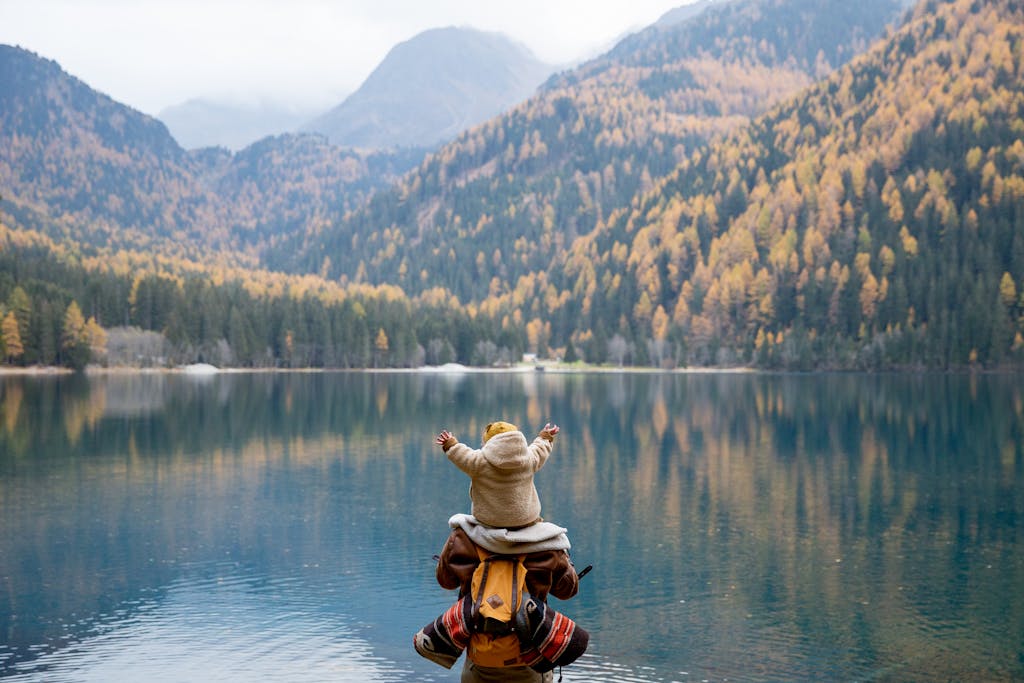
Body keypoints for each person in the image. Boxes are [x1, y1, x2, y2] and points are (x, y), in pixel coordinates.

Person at [414, 421, 588, 682]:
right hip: (531, 660)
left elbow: (445, 580)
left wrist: (451, 443)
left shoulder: (463, 538)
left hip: (479, 660)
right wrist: (545, 437)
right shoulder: (546, 544)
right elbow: (567, 590)